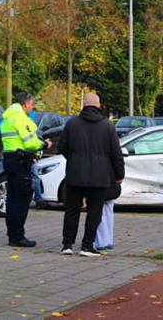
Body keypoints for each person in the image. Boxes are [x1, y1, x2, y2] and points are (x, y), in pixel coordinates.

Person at [59, 93, 124, 257]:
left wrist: (73, 159)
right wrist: (119, 174)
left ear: (83, 105)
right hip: (99, 175)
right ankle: (87, 246)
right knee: (94, 211)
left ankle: (67, 245)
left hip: (75, 173)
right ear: (99, 106)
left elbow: (62, 147)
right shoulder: (107, 126)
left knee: (72, 210)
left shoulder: (72, 123)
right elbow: (116, 153)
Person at [0, 92, 52, 247]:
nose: (32, 107)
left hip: (10, 158)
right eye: (32, 104)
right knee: (22, 198)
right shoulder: (20, 118)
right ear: (25, 104)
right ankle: (17, 236)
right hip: (20, 161)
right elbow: (30, 142)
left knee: (13, 198)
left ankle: (12, 233)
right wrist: (43, 144)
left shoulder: (7, 117)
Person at [93, 167, 122, 251]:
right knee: (108, 209)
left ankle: (100, 242)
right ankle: (107, 240)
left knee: (99, 210)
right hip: (111, 175)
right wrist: (120, 175)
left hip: (98, 176)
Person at [28, 110, 47, 209]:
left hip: (26, 157)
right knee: (35, 178)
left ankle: (34, 198)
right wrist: (36, 157)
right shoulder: (33, 129)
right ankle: (38, 199)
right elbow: (35, 145)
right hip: (31, 158)